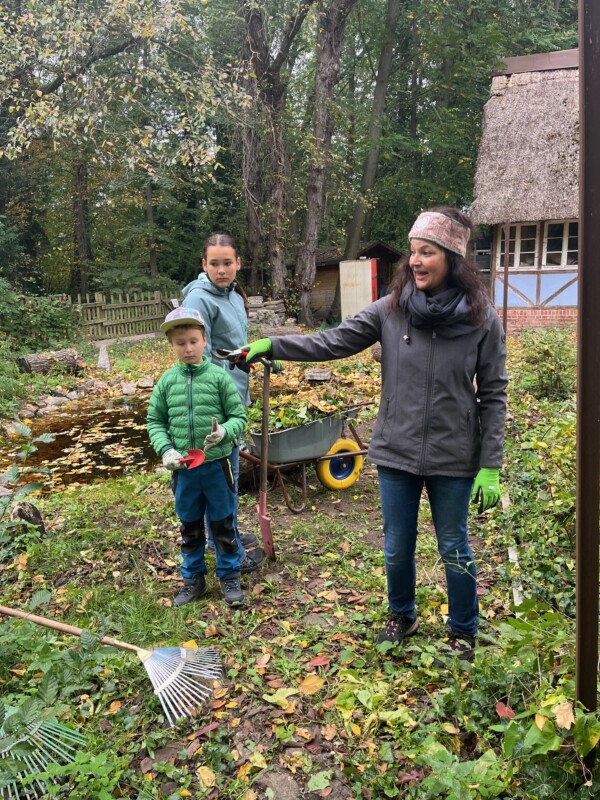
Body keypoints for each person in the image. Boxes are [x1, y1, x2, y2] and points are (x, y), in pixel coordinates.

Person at [239, 207, 508, 661]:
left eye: (428, 252)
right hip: (397, 452)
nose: (416, 261)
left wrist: (490, 466)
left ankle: (463, 629)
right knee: (397, 546)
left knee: (453, 545)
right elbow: (333, 341)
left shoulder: (483, 320)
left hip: (455, 456)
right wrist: (273, 344)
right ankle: (402, 614)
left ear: (453, 259)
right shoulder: (391, 310)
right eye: (414, 252)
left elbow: (494, 394)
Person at [147, 306, 250, 608]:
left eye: (193, 340)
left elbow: (238, 416)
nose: (188, 348)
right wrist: (165, 449)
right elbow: (154, 421)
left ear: (204, 340)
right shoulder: (167, 382)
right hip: (185, 471)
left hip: (217, 467)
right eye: (181, 343)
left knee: (223, 523)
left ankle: (229, 575)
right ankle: (193, 580)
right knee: (189, 526)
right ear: (172, 346)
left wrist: (226, 433)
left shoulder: (219, 378)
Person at [182, 232, 264, 573]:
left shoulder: (232, 295)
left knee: (226, 475)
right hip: (214, 400)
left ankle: (224, 533)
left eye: (227, 263)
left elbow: (230, 345)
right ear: (204, 265)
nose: (221, 270)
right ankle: (228, 551)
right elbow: (201, 355)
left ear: (237, 264)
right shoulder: (201, 299)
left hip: (234, 392)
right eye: (214, 263)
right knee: (222, 479)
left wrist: (248, 356)